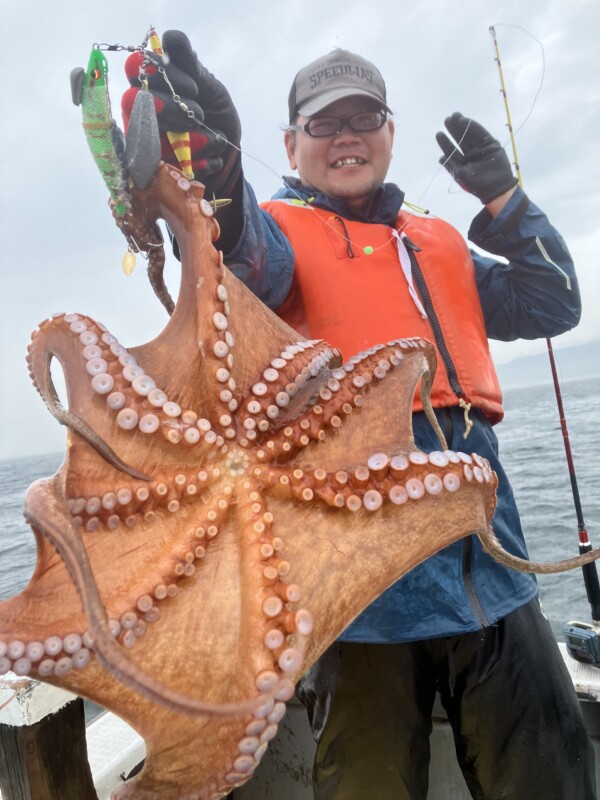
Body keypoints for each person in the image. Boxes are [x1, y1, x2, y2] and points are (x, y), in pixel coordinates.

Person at [122, 31, 596, 800]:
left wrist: (504, 199)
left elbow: (553, 301)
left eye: (362, 119)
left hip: (496, 578)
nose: (345, 137)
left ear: (389, 134)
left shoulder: (439, 243)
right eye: (323, 124)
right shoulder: (277, 233)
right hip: (360, 605)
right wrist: (220, 183)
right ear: (291, 143)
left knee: (552, 780)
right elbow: (238, 258)